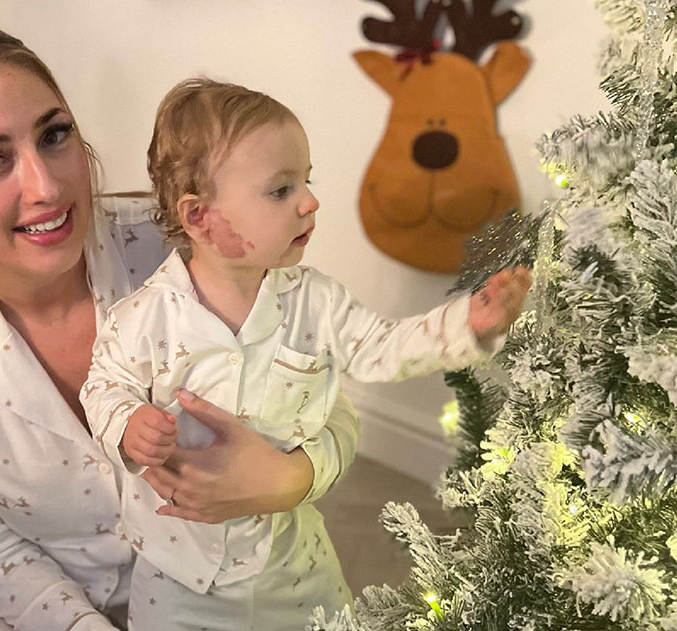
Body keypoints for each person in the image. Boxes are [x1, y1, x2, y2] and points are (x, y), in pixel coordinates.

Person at [0, 22, 360, 631]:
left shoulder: (189, 250)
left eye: (55, 136)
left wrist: (293, 477)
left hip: (224, 584)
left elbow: (322, 393)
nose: (46, 186)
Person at [81, 78, 532, 630]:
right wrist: (127, 424)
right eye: (280, 190)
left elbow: (383, 348)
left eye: (307, 180)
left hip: (293, 567)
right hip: (179, 578)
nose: (311, 201)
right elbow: (102, 384)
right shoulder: (145, 318)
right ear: (199, 216)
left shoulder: (316, 301)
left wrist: (469, 321)